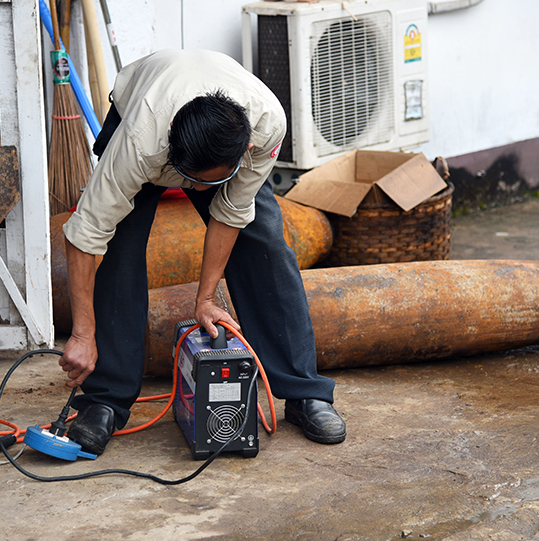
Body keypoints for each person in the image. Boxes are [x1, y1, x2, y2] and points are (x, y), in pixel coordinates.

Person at [59, 49, 345, 456]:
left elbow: (229, 214)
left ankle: (303, 391)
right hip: (145, 112)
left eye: (206, 184)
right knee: (119, 247)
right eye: (189, 180)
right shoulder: (140, 141)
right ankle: (104, 399)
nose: (195, 192)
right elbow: (85, 235)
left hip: (222, 133)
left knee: (264, 243)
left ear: (245, 149)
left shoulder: (266, 127)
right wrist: (83, 334)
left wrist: (206, 299)